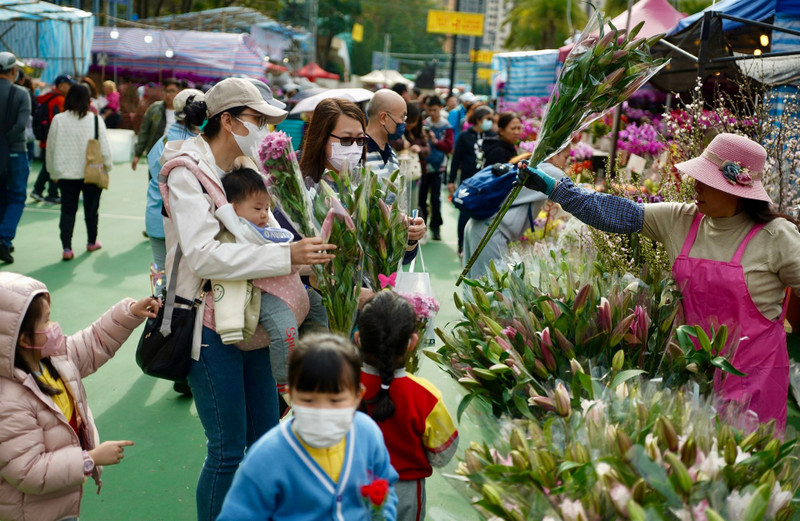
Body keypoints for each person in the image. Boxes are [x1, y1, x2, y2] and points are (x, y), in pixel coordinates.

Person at [522, 133, 800, 431]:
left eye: (706, 180)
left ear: (737, 190)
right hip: (689, 365)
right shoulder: (680, 220)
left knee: (744, 460)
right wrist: (556, 189)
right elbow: (611, 212)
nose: (695, 186)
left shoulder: (776, 237)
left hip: (754, 372)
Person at [163, 77, 337, 521]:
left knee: (263, 438)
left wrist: (305, 251)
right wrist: (286, 255)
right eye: (257, 119)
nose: (264, 128)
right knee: (227, 450)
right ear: (228, 120)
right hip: (210, 326)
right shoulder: (186, 170)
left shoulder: (250, 167)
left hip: (257, 322)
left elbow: (277, 228)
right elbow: (203, 256)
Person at [0, 271, 161, 521]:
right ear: (21, 339)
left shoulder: (53, 360)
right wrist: (89, 459)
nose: (53, 327)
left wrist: (129, 313)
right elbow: (29, 471)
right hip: (32, 512)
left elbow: (94, 340)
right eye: (46, 321)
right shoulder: (8, 402)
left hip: (58, 500)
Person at [216, 333, 399, 521]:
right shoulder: (265, 458)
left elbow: (385, 484)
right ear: (291, 395)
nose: (322, 412)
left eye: (335, 401)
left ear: (357, 396)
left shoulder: (368, 434)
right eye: (309, 400)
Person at [214, 167, 327, 396]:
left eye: (267, 208)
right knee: (285, 330)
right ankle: (286, 382)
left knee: (319, 304)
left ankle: (316, 358)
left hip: (291, 288)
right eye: (257, 209)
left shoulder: (265, 228)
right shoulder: (233, 234)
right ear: (234, 209)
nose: (265, 214)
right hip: (264, 295)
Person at [356, 291, 458, 521]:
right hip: (407, 492)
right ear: (412, 342)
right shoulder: (425, 395)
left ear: (358, 339)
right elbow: (443, 453)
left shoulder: (342, 387)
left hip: (351, 486)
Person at [298, 98, 426, 266]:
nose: (353, 148)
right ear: (321, 137)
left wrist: (409, 236)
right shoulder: (299, 188)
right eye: (345, 140)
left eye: (360, 140)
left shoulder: (367, 185)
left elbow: (394, 255)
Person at [462, 148, 568, 280]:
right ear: (552, 156)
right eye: (565, 157)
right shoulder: (550, 171)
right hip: (490, 230)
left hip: (478, 225)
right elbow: (576, 194)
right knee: (491, 286)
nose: (566, 163)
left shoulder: (531, 166)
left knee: (473, 282)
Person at [46, 84, 112, 261]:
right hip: (91, 173)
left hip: (66, 174)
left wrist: (52, 171)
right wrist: (108, 166)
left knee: (68, 211)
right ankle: (91, 242)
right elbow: (104, 148)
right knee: (91, 210)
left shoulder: (59, 120)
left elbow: (51, 148)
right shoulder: (96, 120)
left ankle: (67, 248)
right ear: (88, 100)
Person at [146, 88, 204, 271]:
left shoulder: (163, 141)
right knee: (182, 280)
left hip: (155, 217)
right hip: (179, 222)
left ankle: (158, 300)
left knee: (161, 275)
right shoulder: (193, 146)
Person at [448, 105, 495, 255]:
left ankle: (478, 246)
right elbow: (456, 159)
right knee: (465, 213)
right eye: (488, 119)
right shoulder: (465, 136)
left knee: (484, 214)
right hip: (468, 181)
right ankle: (462, 245)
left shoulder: (493, 136)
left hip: (487, 182)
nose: (490, 122)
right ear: (478, 119)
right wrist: (451, 180)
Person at [0, 52, 32, 264]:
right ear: (14, 71)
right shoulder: (21, 94)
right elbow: (21, 125)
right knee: (17, 197)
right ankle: (3, 239)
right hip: (15, 152)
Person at [31, 74, 73, 204]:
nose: (70, 87)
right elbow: (62, 121)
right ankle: (52, 194)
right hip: (54, 140)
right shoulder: (60, 100)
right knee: (52, 166)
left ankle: (38, 190)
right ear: (61, 85)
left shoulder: (48, 97)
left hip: (46, 138)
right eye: (68, 84)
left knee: (47, 166)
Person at [132, 77, 182, 171]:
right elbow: (144, 131)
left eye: (172, 91)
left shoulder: (183, 112)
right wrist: (137, 154)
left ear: (178, 92)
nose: (168, 95)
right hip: (156, 156)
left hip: (176, 157)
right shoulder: (155, 109)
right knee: (154, 184)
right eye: (165, 91)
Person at [420, 96, 452, 241]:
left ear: (440, 108)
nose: (432, 113)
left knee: (435, 198)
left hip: (439, 167)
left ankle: (436, 227)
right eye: (429, 110)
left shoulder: (446, 126)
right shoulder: (423, 124)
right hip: (423, 167)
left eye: (435, 109)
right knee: (421, 199)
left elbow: (449, 147)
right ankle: (422, 227)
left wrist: (435, 141)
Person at [365, 89, 406, 179]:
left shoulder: (391, 154)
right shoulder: (359, 155)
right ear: (383, 118)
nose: (403, 123)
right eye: (402, 117)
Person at [402, 101, 430, 215]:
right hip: (405, 173)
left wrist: (419, 149)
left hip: (419, 172)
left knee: (418, 203)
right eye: (408, 123)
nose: (410, 125)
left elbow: (427, 149)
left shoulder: (419, 131)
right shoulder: (399, 132)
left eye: (413, 122)